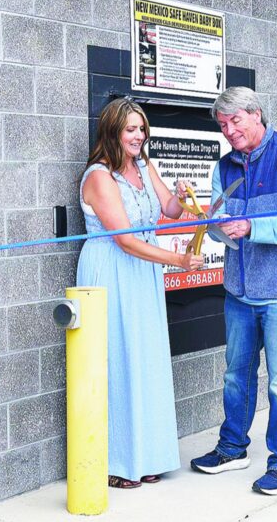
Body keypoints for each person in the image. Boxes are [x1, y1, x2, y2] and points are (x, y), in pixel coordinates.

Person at [190, 87, 277, 496]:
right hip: (239, 293)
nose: (229, 131)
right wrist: (209, 221)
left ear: (256, 114)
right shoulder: (224, 167)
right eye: (223, 125)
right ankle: (232, 449)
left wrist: (252, 227)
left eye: (235, 121)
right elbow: (215, 223)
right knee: (235, 376)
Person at [77, 97, 204, 489]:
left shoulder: (144, 165)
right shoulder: (99, 176)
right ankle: (116, 461)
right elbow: (125, 240)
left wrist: (181, 196)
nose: (138, 135)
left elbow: (168, 209)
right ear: (113, 130)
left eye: (142, 128)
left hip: (142, 271)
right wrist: (177, 261)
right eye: (131, 128)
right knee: (117, 358)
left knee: (144, 359)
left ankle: (146, 456)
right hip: (112, 267)